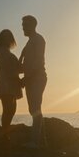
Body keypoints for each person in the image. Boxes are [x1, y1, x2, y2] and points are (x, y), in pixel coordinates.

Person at [19, 15, 47, 148]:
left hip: (37, 78)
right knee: (33, 109)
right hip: (31, 79)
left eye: (25, 25)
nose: (23, 28)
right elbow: (24, 65)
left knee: (35, 109)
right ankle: (42, 141)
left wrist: (27, 78)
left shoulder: (38, 40)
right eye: (22, 25)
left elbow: (38, 63)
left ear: (32, 25)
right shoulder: (29, 43)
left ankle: (35, 142)